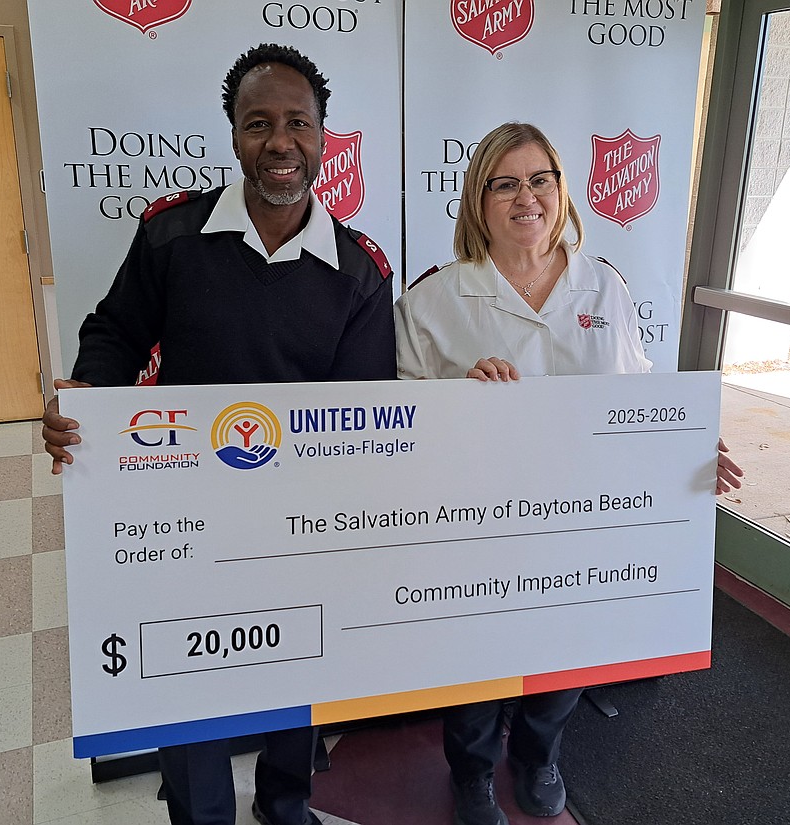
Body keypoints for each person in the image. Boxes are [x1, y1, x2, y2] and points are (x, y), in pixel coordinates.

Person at [42, 43, 396, 825]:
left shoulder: (361, 272)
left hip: (299, 516)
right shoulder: (173, 235)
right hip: (182, 509)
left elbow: (364, 417)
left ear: (324, 137)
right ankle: (201, 812)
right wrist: (88, 400)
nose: (279, 141)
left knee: (298, 660)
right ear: (234, 136)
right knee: (187, 671)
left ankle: (285, 798)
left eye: (297, 123)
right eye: (258, 123)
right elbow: (114, 334)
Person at [394, 122, 743, 825]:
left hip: (582, 524)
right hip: (476, 521)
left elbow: (640, 394)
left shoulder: (604, 286)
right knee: (474, 657)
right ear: (478, 200)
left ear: (562, 189)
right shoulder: (433, 300)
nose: (527, 196)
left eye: (540, 179)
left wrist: (693, 445)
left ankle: (537, 753)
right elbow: (403, 421)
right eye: (506, 182)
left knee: (567, 651)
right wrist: (460, 394)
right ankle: (469, 771)